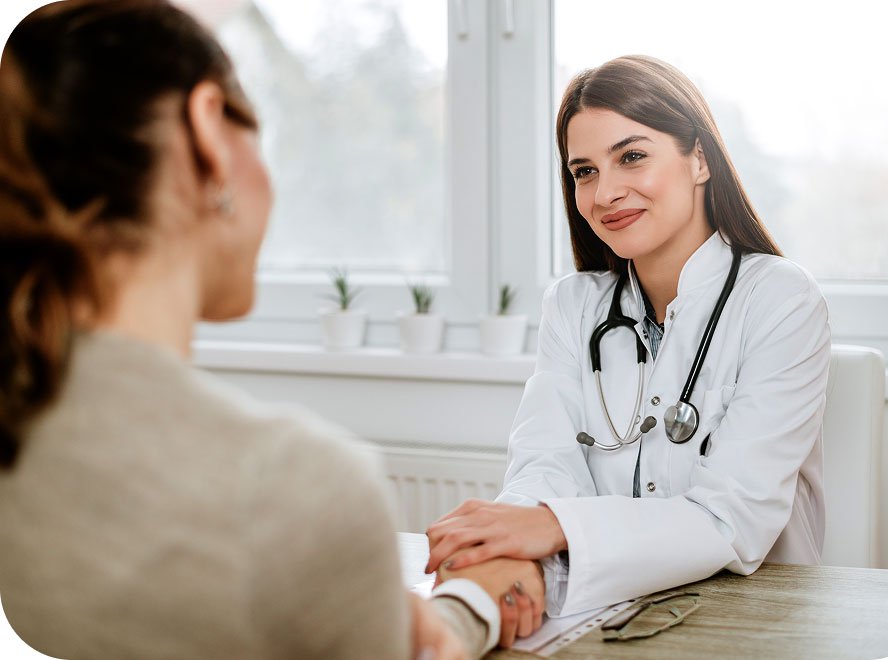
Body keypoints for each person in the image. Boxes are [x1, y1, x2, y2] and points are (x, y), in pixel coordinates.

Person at [0, 1, 543, 657]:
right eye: (259, 135)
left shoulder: (25, 429)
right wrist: (473, 600)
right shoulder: (296, 486)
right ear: (207, 133)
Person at [425, 55, 831, 618]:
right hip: (612, 608)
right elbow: (544, 464)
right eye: (584, 171)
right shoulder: (572, 306)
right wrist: (508, 551)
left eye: (632, 157)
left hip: (753, 618)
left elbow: (732, 521)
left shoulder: (781, 300)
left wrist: (550, 526)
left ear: (700, 160)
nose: (604, 192)